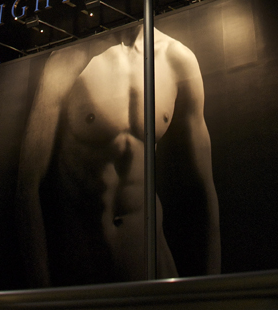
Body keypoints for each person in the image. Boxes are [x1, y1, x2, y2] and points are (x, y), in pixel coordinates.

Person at [17, 23, 220, 286]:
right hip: (85, 270)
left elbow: (202, 189)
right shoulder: (68, 60)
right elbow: (28, 186)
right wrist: (39, 290)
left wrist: (214, 290)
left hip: (155, 267)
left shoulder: (177, 58)